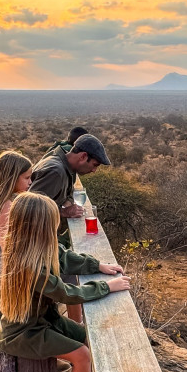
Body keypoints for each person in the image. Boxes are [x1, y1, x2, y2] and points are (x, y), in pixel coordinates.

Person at [0, 193, 130, 372]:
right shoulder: (28, 264)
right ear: (39, 227)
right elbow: (66, 293)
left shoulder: (38, 247)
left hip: (44, 320)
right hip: (23, 333)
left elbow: (66, 258)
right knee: (81, 355)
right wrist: (106, 287)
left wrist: (97, 266)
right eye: (52, 221)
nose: (57, 224)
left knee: (87, 337)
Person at [30, 133, 114, 322]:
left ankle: (73, 325)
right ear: (83, 156)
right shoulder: (56, 171)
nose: (94, 171)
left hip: (43, 241)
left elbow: (54, 198)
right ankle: (75, 327)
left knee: (67, 277)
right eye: (94, 165)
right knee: (67, 279)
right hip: (35, 244)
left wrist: (65, 205)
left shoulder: (65, 166)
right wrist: (64, 212)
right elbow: (30, 210)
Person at [0, 150, 33, 278]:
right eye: (26, 178)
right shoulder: (7, 205)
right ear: (12, 177)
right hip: (7, 263)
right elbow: (7, 246)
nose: (30, 182)